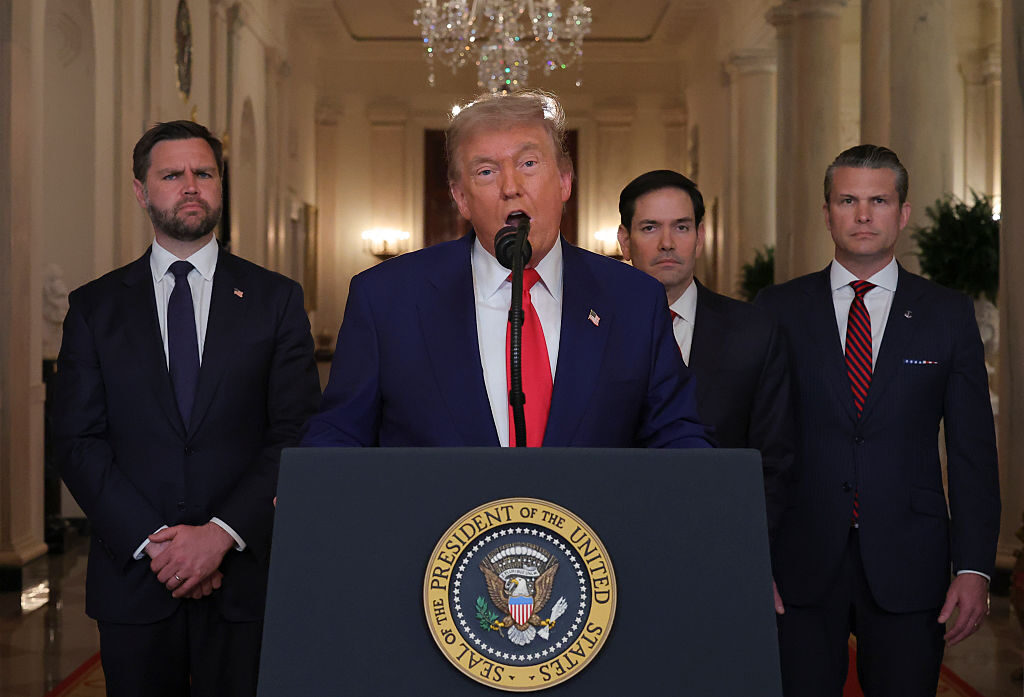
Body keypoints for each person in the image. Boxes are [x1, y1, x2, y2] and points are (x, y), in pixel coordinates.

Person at [53, 120, 321, 696]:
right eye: (172, 175)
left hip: (246, 579)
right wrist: (159, 543)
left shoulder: (275, 300)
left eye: (204, 173)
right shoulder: (95, 307)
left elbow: (296, 431)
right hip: (135, 578)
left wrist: (219, 535)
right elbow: (77, 441)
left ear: (221, 185)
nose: (191, 186)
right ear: (141, 190)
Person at [302, 91, 710, 448]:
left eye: (529, 163)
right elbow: (339, 433)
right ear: (461, 198)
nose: (511, 186)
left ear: (564, 181)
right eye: (486, 171)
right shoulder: (386, 298)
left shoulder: (633, 299)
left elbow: (676, 435)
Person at [756, 145, 1000, 696]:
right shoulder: (777, 309)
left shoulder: (947, 314)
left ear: (903, 212)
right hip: (799, 562)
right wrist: (751, 556)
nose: (863, 215)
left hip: (911, 562)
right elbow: (757, 445)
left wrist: (975, 567)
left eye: (879, 201)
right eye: (848, 200)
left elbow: (972, 453)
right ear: (827, 213)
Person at [616, 169, 794, 542]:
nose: (667, 243)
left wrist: (748, 549)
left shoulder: (754, 332)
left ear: (699, 238)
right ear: (625, 241)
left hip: (723, 538)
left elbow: (775, 461)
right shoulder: (593, 330)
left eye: (681, 227)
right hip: (612, 540)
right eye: (650, 228)